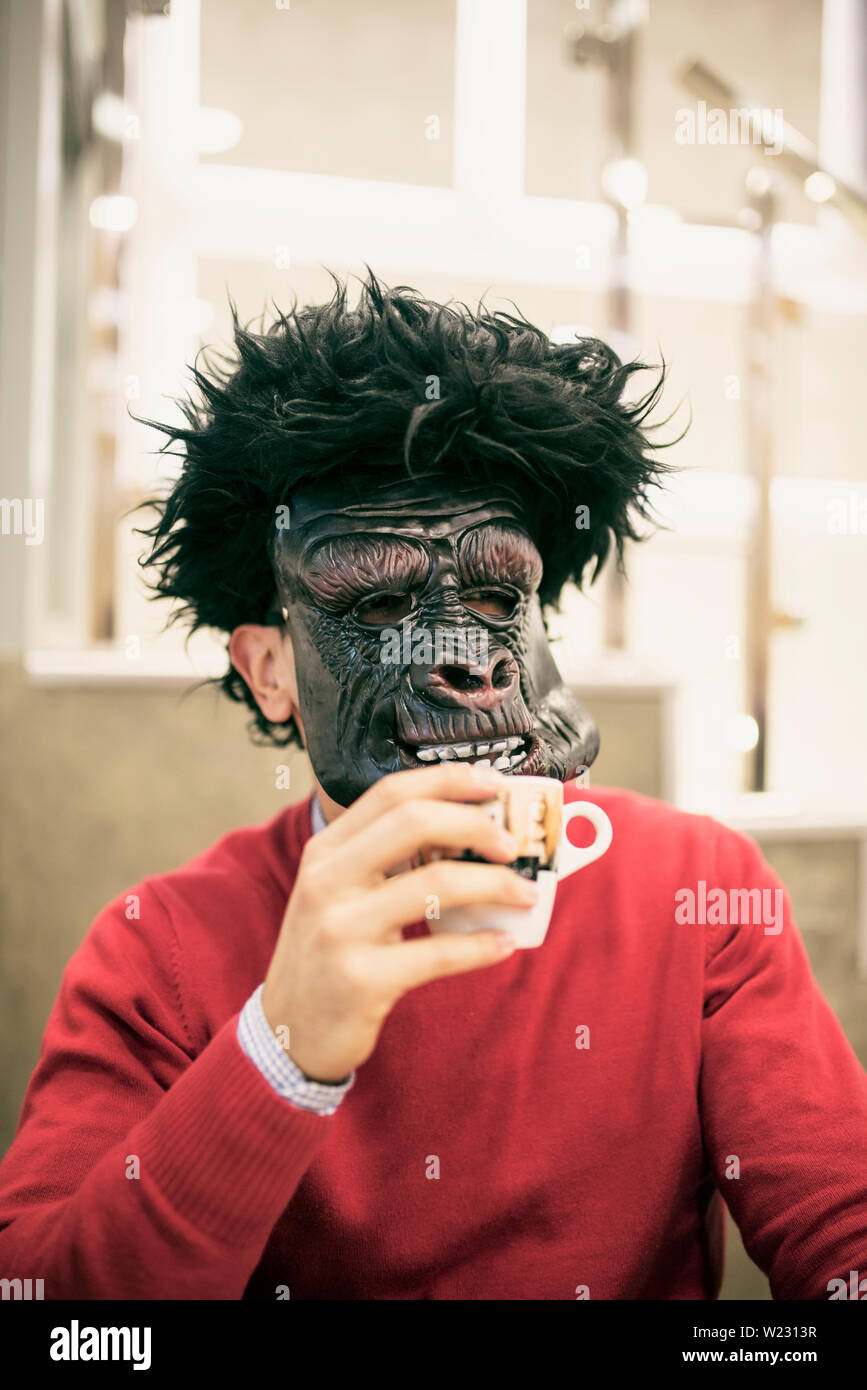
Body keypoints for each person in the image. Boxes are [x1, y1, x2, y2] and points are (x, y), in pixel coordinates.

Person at [1, 273, 865, 1300]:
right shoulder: (159, 952)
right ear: (270, 669)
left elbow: (839, 1235)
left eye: (501, 594)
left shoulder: (702, 889)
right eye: (375, 600)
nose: (473, 658)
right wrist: (279, 1054)